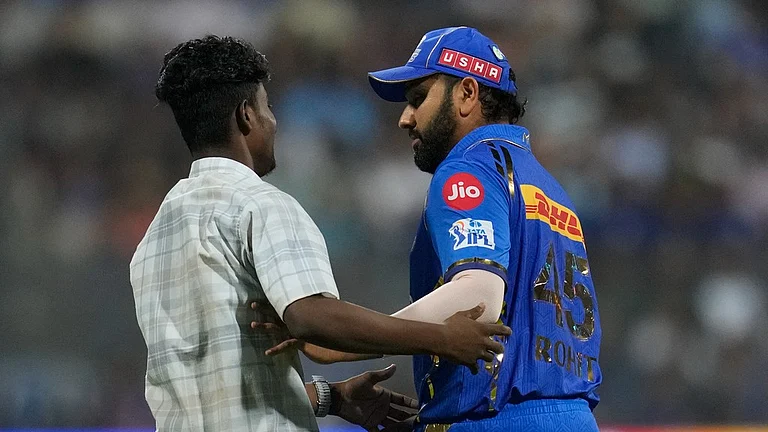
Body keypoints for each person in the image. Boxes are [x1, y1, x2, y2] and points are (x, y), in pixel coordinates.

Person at [129, 35, 511, 432]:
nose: (273, 123)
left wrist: (330, 397)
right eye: (268, 108)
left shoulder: (155, 236)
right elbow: (311, 319)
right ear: (246, 116)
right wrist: (439, 338)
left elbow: (214, 385)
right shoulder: (260, 205)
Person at [265, 26, 603, 432]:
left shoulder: (468, 167)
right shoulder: (549, 187)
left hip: (495, 420)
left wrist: (340, 343)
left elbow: (479, 295)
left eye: (418, 98)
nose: (405, 118)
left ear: (466, 93)